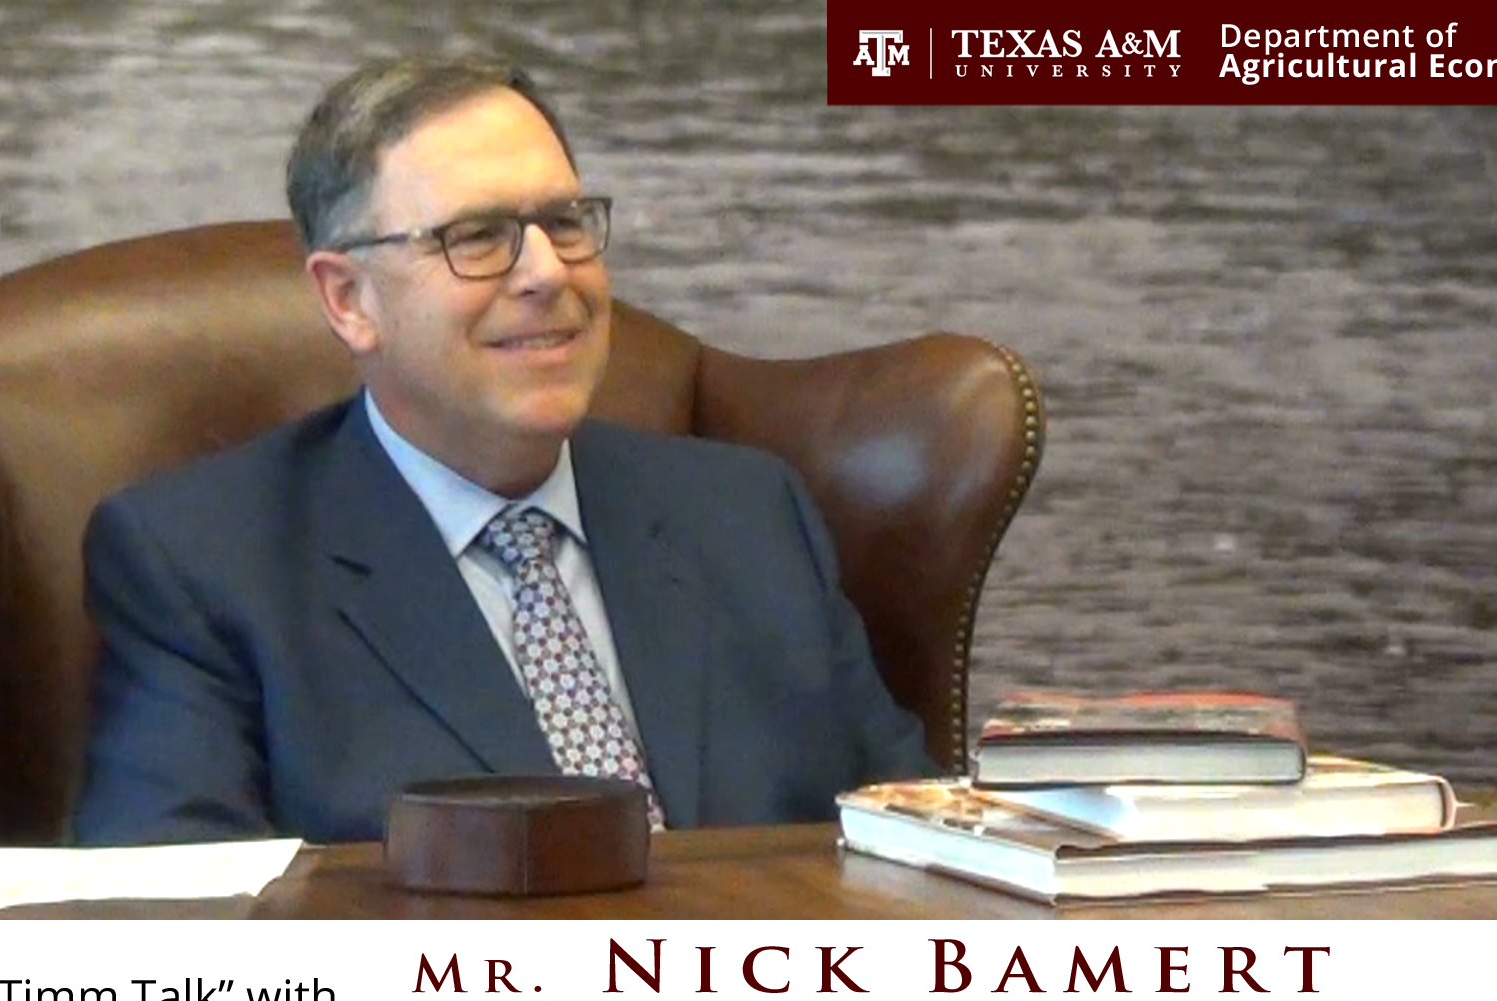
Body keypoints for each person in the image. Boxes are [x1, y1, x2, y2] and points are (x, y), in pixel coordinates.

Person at [71, 57, 936, 845]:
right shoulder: (200, 564)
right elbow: (169, 930)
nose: (547, 273)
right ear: (348, 300)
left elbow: (923, 842)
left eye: (563, 222)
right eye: (478, 237)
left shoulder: (748, 514)